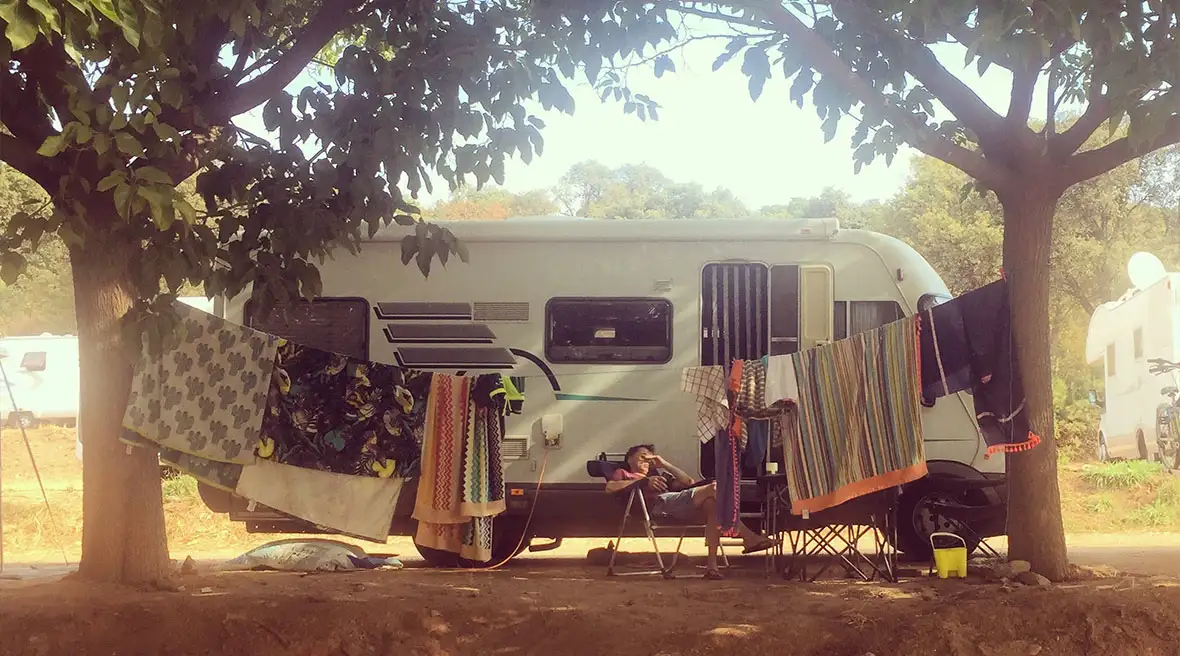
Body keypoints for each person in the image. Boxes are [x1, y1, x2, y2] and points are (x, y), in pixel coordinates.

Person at [605, 443, 777, 579]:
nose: (647, 461)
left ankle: (712, 568)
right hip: (659, 506)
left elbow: (688, 482)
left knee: (712, 505)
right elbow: (610, 487)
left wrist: (664, 464)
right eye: (642, 457)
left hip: (676, 506)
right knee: (715, 488)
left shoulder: (660, 477)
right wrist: (643, 482)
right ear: (630, 459)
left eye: (650, 459)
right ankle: (749, 537)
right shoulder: (623, 473)